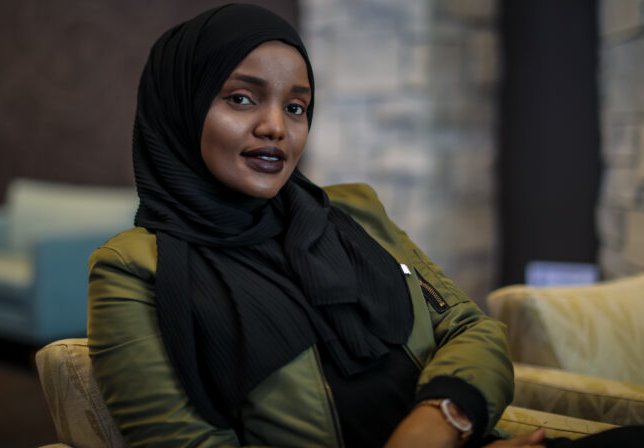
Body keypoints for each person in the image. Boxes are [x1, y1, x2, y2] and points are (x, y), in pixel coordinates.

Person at [87, 4, 643, 447]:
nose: (276, 127)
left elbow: (473, 331)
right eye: (241, 98)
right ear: (179, 109)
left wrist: (442, 417)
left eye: (297, 107)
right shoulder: (135, 270)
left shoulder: (351, 213)